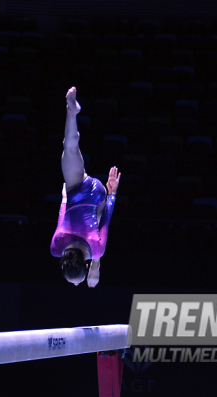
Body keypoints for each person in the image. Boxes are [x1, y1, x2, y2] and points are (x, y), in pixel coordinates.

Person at [50, 87, 121, 288]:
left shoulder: (95, 251)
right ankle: (71, 113)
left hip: (98, 195)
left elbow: (106, 218)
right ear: (63, 265)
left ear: (85, 262)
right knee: (69, 146)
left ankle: (97, 266)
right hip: (75, 190)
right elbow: (61, 221)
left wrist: (112, 193)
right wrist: (64, 198)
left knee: (97, 227)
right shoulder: (56, 248)